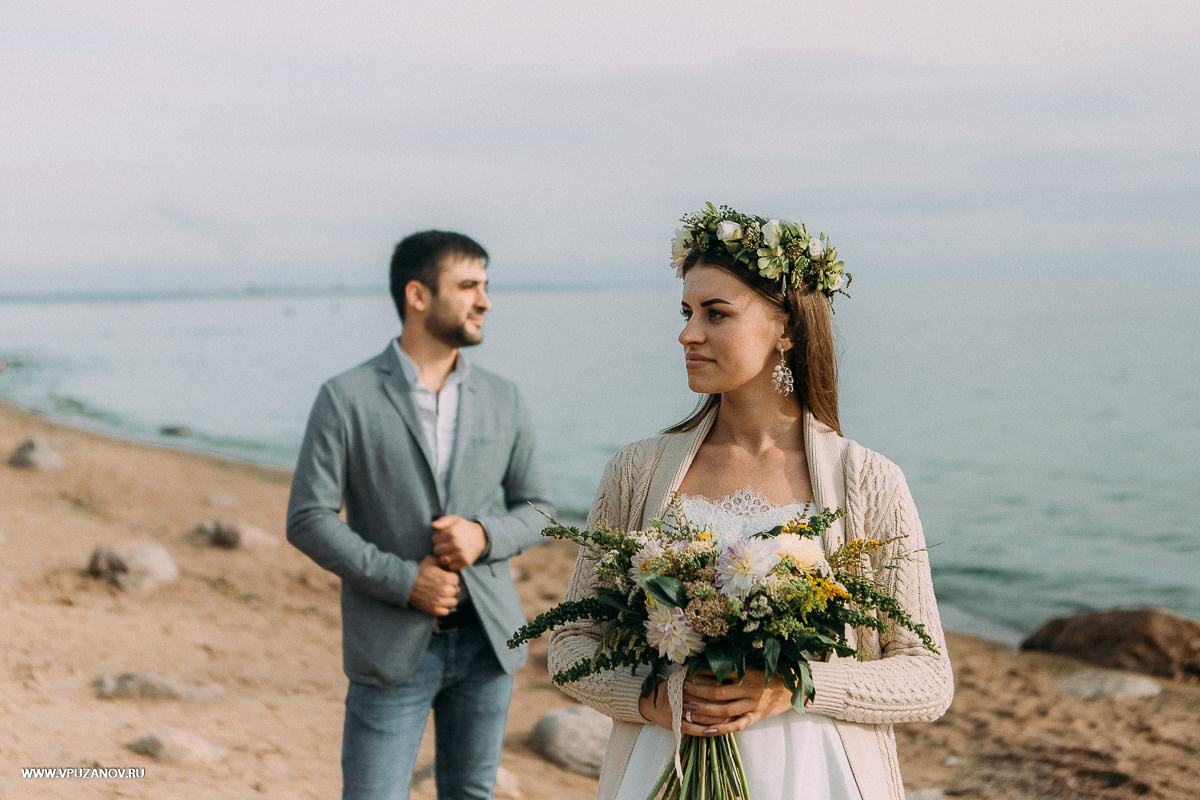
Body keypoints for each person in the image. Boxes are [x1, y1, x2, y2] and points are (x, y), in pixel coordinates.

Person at [547, 204, 953, 800]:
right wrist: (649, 697)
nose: (688, 333)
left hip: (814, 775)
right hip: (664, 768)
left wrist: (797, 685)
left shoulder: (868, 480)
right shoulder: (636, 471)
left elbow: (928, 675)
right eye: (687, 312)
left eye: (716, 313)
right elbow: (569, 642)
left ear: (786, 328)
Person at [287, 229, 552, 800]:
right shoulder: (346, 396)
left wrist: (484, 535)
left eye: (485, 286)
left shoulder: (504, 397)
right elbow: (308, 517)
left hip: (488, 644)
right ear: (418, 295)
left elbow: (539, 510)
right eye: (468, 286)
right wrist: (406, 581)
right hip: (390, 647)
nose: (485, 300)